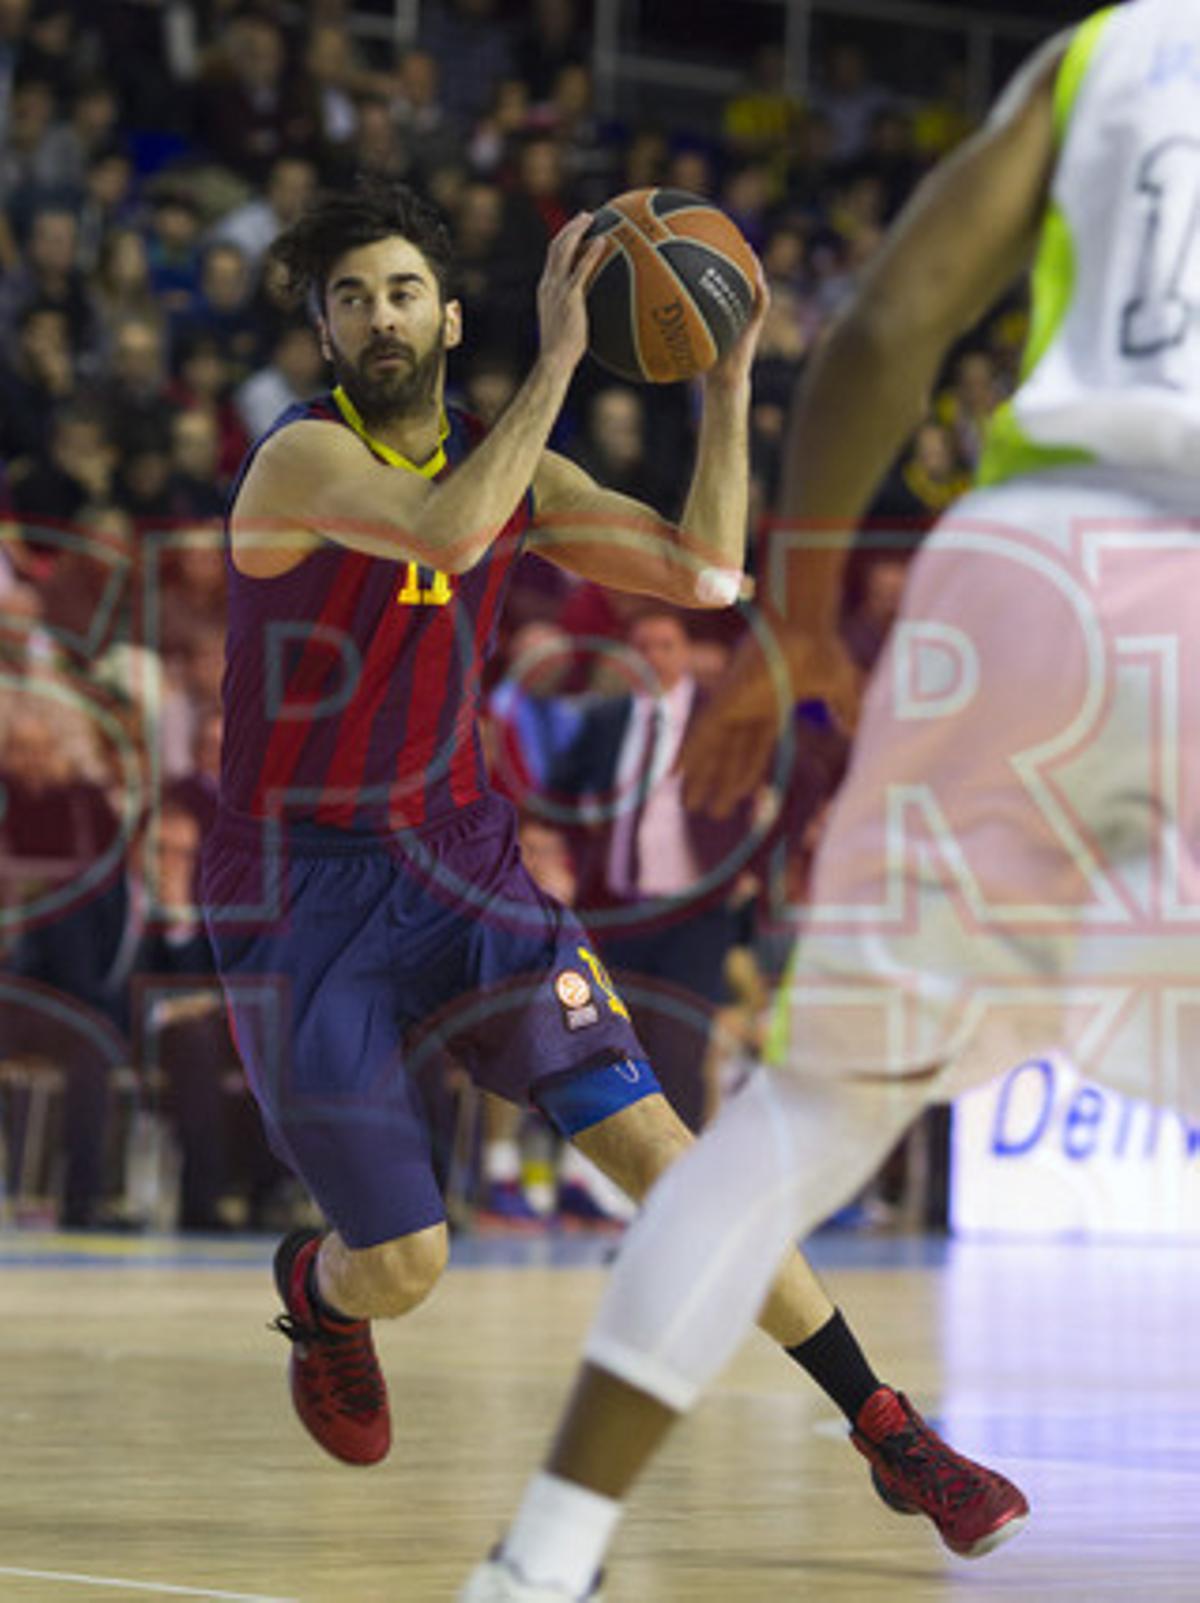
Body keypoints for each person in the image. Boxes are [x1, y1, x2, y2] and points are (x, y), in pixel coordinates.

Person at [460, 4, 1184, 1596]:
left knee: (786, 1121)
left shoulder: (1120, 49)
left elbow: (887, 326)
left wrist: (789, 618)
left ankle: (537, 1565)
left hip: (1038, 557)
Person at [200, 177, 1021, 1541]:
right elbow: (449, 531)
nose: (379, 316)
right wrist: (567, 357)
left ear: (451, 317)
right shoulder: (296, 461)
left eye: (404, 290)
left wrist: (728, 380)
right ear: (326, 337)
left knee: (669, 1157)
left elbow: (707, 574)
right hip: (296, 891)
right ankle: (325, 1292)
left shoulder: (518, 466)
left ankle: (893, 1432)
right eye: (350, 300)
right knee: (406, 1262)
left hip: (460, 867)